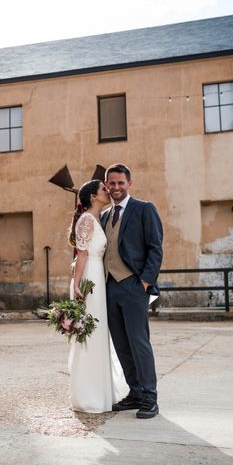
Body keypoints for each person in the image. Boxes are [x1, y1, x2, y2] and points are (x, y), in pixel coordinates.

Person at [102, 163, 163, 419]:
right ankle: (135, 392)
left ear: (129, 183)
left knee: (139, 342)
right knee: (121, 343)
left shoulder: (144, 209)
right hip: (109, 287)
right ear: (106, 186)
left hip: (133, 285)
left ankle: (150, 397)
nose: (116, 187)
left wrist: (145, 282)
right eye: (112, 183)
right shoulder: (104, 215)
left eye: (120, 183)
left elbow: (155, 248)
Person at [68, 179, 129, 413]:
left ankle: (100, 390)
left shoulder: (96, 219)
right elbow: (81, 254)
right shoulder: (86, 220)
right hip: (89, 280)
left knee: (98, 334)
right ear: (94, 197)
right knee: (90, 334)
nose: (109, 191)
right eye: (104, 189)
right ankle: (88, 394)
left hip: (98, 279)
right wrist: (77, 287)